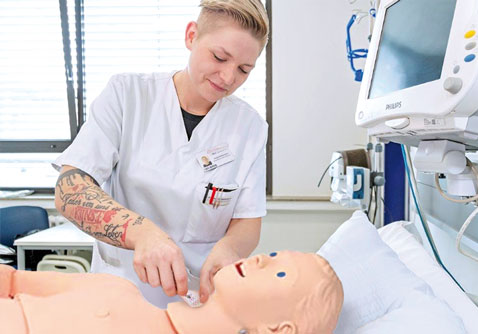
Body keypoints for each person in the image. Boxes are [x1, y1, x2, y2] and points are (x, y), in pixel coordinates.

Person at [52, 0, 269, 308]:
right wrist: (141, 233)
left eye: (244, 69)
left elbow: (247, 220)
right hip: (120, 294)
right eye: (219, 57)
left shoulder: (249, 127)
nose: (228, 77)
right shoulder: (127, 96)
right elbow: (70, 190)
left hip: (198, 302)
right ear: (191, 36)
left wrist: (230, 249)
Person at [0, 251, 344, 334]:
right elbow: (12, 281)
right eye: (272, 255)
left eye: (281, 273)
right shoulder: (114, 287)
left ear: (278, 330)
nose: (259, 259)